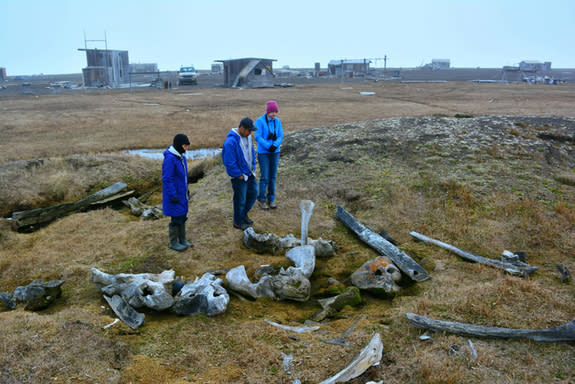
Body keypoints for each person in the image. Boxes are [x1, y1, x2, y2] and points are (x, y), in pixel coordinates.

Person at [222, 117, 258, 230]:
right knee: (240, 199)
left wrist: (253, 166)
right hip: (239, 177)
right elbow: (229, 161)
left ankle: (243, 215)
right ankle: (238, 222)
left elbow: (251, 152)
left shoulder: (248, 137)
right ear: (242, 128)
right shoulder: (230, 142)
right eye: (249, 130)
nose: (250, 133)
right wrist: (238, 175)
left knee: (253, 194)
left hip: (250, 173)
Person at [162, 133, 193, 251]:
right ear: (179, 145)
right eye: (185, 146)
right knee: (175, 219)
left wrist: (186, 190)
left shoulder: (181, 157)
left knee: (183, 216)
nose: (187, 148)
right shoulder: (170, 159)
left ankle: (182, 239)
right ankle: (173, 242)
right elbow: (167, 179)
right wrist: (173, 195)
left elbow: (183, 177)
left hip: (181, 193)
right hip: (174, 195)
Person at [254, 100, 284, 210]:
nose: (274, 114)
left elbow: (280, 135)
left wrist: (275, 145)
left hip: (275, 152)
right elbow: (257, 136)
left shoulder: (277, 121)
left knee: (273, 176)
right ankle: (261, 199)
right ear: (267, 112)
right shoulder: (259, 121)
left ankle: (271, 199)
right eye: (272, 112)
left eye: (276, 112)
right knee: (265, 177)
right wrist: (268, 146)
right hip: (264, 153)